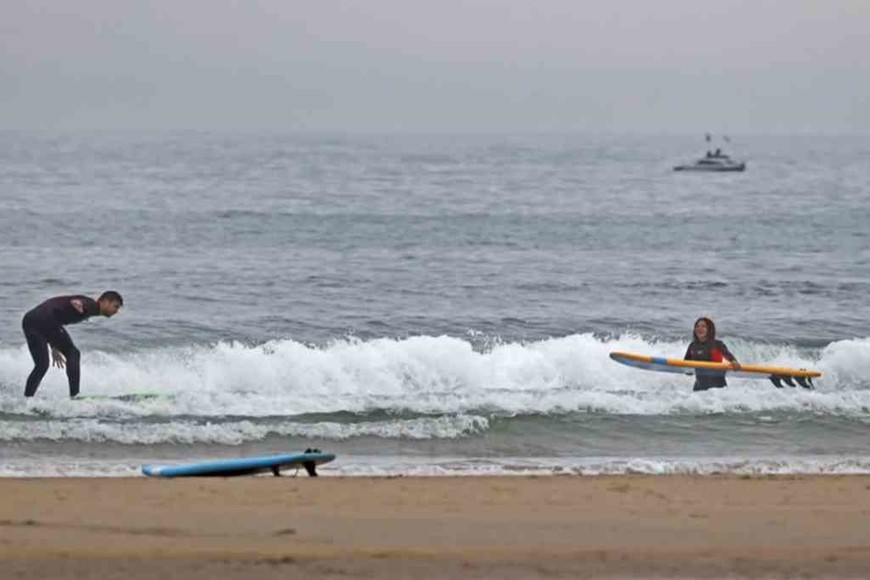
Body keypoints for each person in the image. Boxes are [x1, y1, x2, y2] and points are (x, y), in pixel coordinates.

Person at [22, 291, 123, 398]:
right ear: (105, 302)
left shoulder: (90, 307)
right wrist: (79, 303)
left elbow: (56, 316)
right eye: (115, 306)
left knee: (42, 365)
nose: (116, 311)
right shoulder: (93, 305)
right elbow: (78, 302)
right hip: (46, 319)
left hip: (30, 320)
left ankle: (27, 400)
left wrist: (54, 346)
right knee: (73, 353)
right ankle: (75, 396)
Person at [684, 317, 740, 391]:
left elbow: (729, 356)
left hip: (717, 390)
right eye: (697, 326)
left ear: (709, 329)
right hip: (699, 388)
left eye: (703, 326)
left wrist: (734, 362)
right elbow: (686, 366)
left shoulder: (717, 344)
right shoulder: (692, 346)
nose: (699, 328)